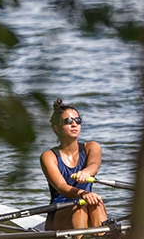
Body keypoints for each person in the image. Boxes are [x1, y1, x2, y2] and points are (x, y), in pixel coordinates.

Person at [40, 98, 108, 231]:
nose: (74, 124)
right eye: (68, 121)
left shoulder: (92, 147)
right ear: (56, 128)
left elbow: (94, 164)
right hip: (60, 212)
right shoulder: (48, 156)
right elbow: (61, 186)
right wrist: (82, 193)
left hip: (88, 204)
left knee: (97, 204)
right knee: (80, 206)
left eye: (78, 120)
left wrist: (86, 172)